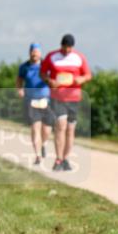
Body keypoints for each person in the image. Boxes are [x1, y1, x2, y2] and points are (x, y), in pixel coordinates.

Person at [40, 33, 92, 171]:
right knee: (60, 126)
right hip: (58, 98)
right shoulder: (52, 56)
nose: (67, 50)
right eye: (65, 47)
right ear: (61, 45)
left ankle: (66, 159)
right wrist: (49, 81)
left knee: (70, 129)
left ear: (72, 47)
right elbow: (43, 72)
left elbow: (88, 75)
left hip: (74, 98)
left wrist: (82, 79)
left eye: (69, 48)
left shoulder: (79, 57)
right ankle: (58, 159)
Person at [16, 42, 54, 165]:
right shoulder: (24, 67)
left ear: (40, 53)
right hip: (31, 101)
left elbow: (54, 78)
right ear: (29, 53)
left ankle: (43, 144)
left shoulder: (46, 66)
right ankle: (37, 155)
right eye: (32, 52)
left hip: (45, 100)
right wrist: (20, 89)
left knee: (47, 130)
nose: (34, 54)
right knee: (35, 128)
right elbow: (19, 80)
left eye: (36, 52)